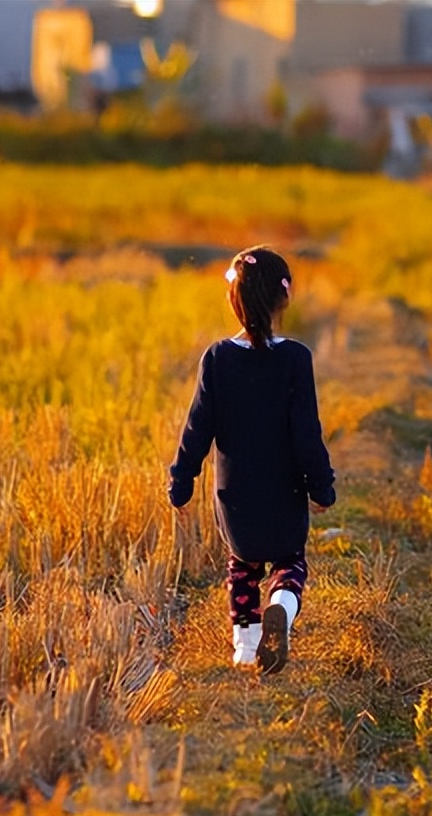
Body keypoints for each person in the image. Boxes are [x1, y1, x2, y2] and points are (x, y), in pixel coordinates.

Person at [168, 246, 336, 675]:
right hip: (284, 494)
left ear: (233, 299)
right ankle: (281, 602)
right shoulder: (296, 359)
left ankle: (245, 647)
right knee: (289, 562)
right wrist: (321, 487)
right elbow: (306, 433)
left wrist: (181, 479)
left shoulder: (218, 359)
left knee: (242, 565)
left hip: (235, 496)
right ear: (284, 300)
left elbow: (197, 427)